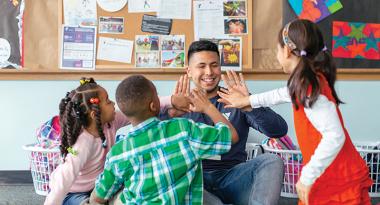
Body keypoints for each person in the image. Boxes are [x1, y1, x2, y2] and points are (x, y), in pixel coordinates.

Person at [218, 19, 373, 205]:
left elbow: (335, 136)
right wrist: (248, 100)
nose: (277, 55)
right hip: (326, 173)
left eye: (276, 50)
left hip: (337, 177)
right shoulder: (305, 82)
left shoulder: (310, 89)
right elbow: (279, 95)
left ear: (286, 50)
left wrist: (307, 176)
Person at [163, 40, 288, 205]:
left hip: (233, 177)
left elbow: (279, 130)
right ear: (189, 71)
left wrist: (248, 103)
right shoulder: (178, 106)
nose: (209, 72)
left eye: (214, 65)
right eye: (201, 66)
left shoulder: (235, 98)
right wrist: (169, 111)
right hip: (196, 180)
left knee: (272, 161)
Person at [89, 75, 238, 204]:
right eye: (157, 95)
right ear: (154, 105)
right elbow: (231, 136)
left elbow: (99, 196)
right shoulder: (183, 130)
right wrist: (208, 107)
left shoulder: (118, 152)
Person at [44, 77, 184, 205]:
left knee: (132, 193)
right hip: (74, 193)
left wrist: (172, 100)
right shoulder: (83, 143)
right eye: (108, 101)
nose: (114, 104)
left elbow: (139, 106)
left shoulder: (110, 122)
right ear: (95, 114)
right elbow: (63, 180)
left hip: (100, 186)